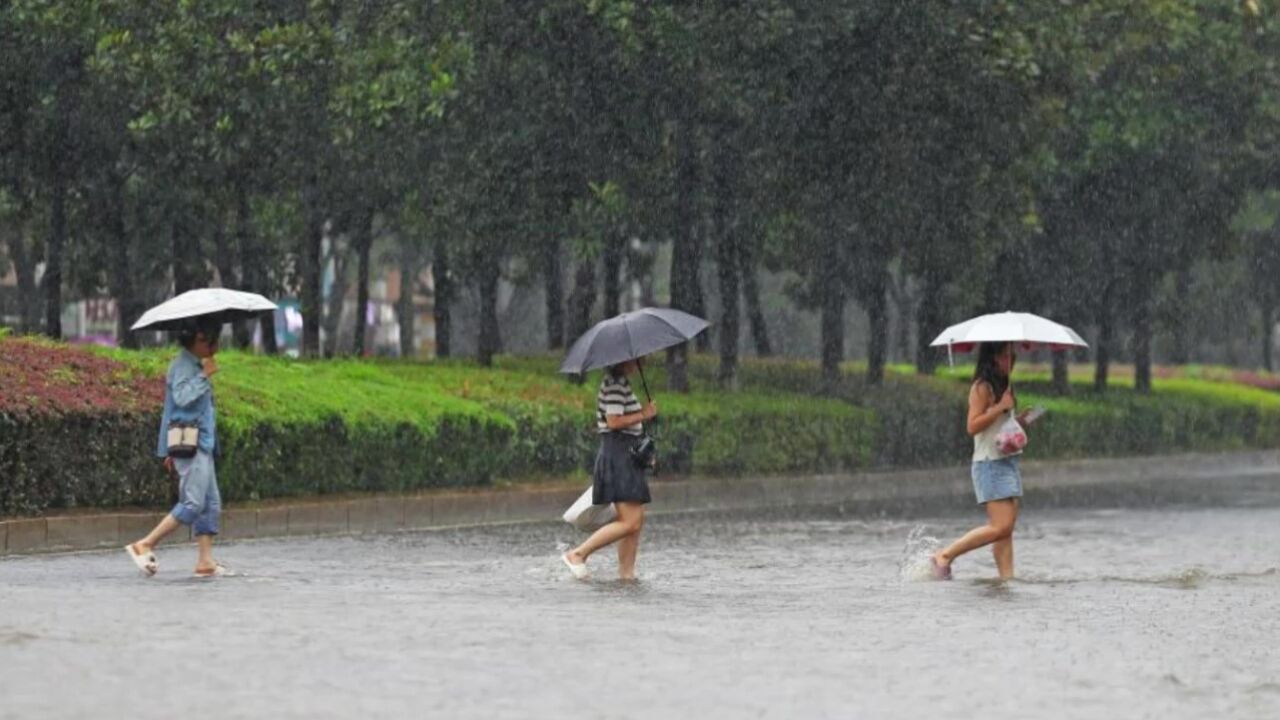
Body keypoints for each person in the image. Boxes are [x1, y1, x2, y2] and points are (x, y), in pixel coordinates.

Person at [125, 318, 226, 578]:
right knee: (193, 503)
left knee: (210, 503)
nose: (216, 347)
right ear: (199, 339)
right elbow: (181, 399)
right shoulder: (183, 365)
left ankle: (205, 560)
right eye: (213, 341)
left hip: (202, 443)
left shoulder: (194, 363)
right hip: (191, 445)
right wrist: (204, 376)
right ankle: (145, 543)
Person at [932, 341, 1037, 580]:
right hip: (989, 463)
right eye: (1005, 356)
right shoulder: (982, 387)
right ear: (992, 358)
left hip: (1007, 461)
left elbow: (998, 428)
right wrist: (1000, 407)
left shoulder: (1004, 388)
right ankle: (945, 555)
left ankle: (1006, 579)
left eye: (1013, 356)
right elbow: (972, 426)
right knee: (1000, 526)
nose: (1010, 361)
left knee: (1005, 531)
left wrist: (1019, 420)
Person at [562, 358, 658, 581]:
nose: (642, 361)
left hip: (626, 455)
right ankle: (577, 554)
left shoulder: (621, 383)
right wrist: (645, 413)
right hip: (619, 456)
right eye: (638, 358)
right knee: (630, 521)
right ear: (626, 359)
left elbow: (628, 425)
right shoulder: (615, 384)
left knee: (634, 522)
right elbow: (613, 421)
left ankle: (627, 575)